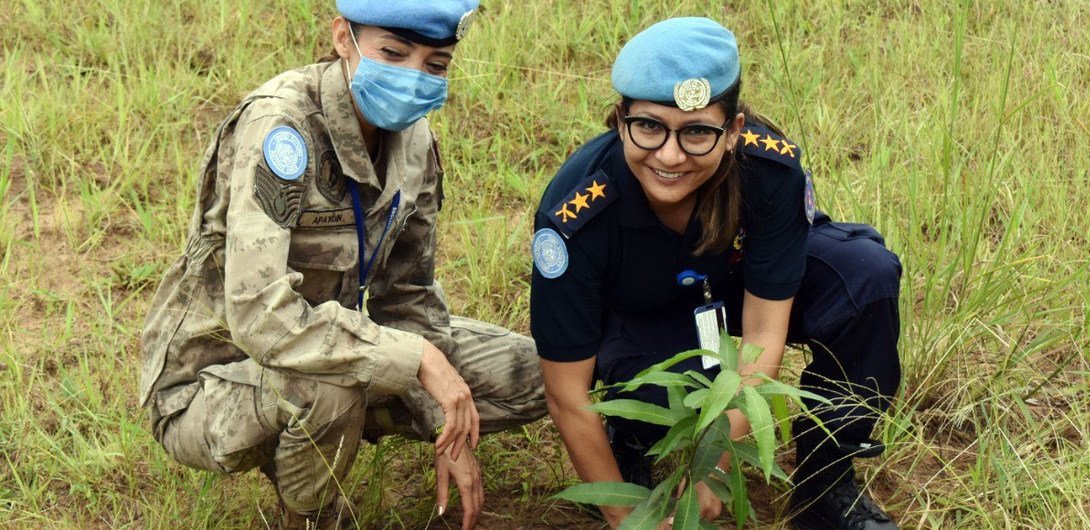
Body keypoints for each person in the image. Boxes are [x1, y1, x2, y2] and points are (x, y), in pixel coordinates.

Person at [138, 2, 545, 528]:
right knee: (329, 383)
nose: (412, 77)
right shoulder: (281, 129)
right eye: (393, 53)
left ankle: (349, 421)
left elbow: (410, 295)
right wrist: (416, 360)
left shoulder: (416, 141)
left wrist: (445, 415)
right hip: (213, 380)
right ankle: (310, 514)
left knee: (540, 373)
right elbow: (259, 316)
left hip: (338, 342)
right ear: (342, 38)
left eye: (435, 65)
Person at [530, 17, 902, 530]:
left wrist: (713, 469)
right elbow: (566, 392)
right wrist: (624, 517)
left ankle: (825, 487)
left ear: (733, 131)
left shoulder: (769, 170)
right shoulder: (577, 212)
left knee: (865, 275)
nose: (669, 155)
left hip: (740, 300)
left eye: (698, 132)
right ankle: (633, 442)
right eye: (649, 127)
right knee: (659, 388)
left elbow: (763, 334)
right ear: (620, 122)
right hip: (646, 319)